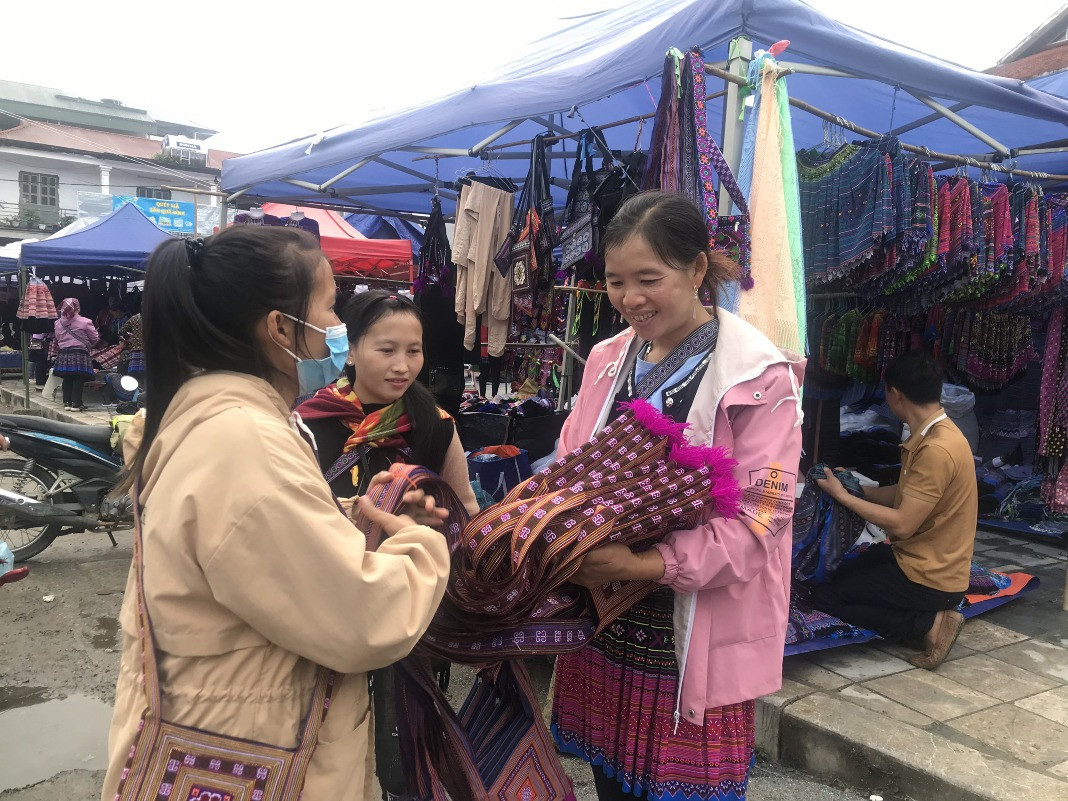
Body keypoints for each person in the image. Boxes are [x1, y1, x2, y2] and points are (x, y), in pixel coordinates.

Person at [101, 226, 453, 801]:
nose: (338, 326)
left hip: (231, 724)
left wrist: (350, 516)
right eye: (330, 306)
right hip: (251, 747)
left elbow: (251, 544)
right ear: (280, 328)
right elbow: (363, 618)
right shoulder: (244, 440)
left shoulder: (226, 419)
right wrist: (417, 545)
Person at [550, 191, 806, 801]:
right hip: (605, 616)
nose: (630, 299)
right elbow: (569, 459)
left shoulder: (760, 380)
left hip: (692, 632)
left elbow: (761, 521)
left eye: (648, 279)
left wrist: (645, 564)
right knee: (609, 784)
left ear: (697, 270)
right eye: (615, 282)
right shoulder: (608, 359)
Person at [812, 350, 977, 670]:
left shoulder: (936, 449)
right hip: (921, 561)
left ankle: (929, 623)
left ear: (896, 394)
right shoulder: (935, 434)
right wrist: (854, 487)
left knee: (826, 598)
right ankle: (923, 616)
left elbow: (902, 524)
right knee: (840, 573)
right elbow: (903, 495)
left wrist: (843, 497)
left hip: (930, 578)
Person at [297, 290, 479, 516]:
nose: (402, 367)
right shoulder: (309, 425)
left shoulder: (436, 425)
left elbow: (466, 509)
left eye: (413, 351)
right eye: (387, 350)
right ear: (350, 351)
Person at [53, 297, 99, 412]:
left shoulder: (57, 323)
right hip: (80, 352)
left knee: (67, 377)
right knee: (79, 377)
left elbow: (57, 338)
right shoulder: (85, 322)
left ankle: (67, 402)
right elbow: (95, 338)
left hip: (63, 352)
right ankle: (76, 403)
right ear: (77, 307)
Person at [118, 311, 144, 380]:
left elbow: (121, 331)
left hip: (135, 352)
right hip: (148, 352)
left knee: (135, 376)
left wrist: (128, 339)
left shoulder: (134, 318)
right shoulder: (154, 318)